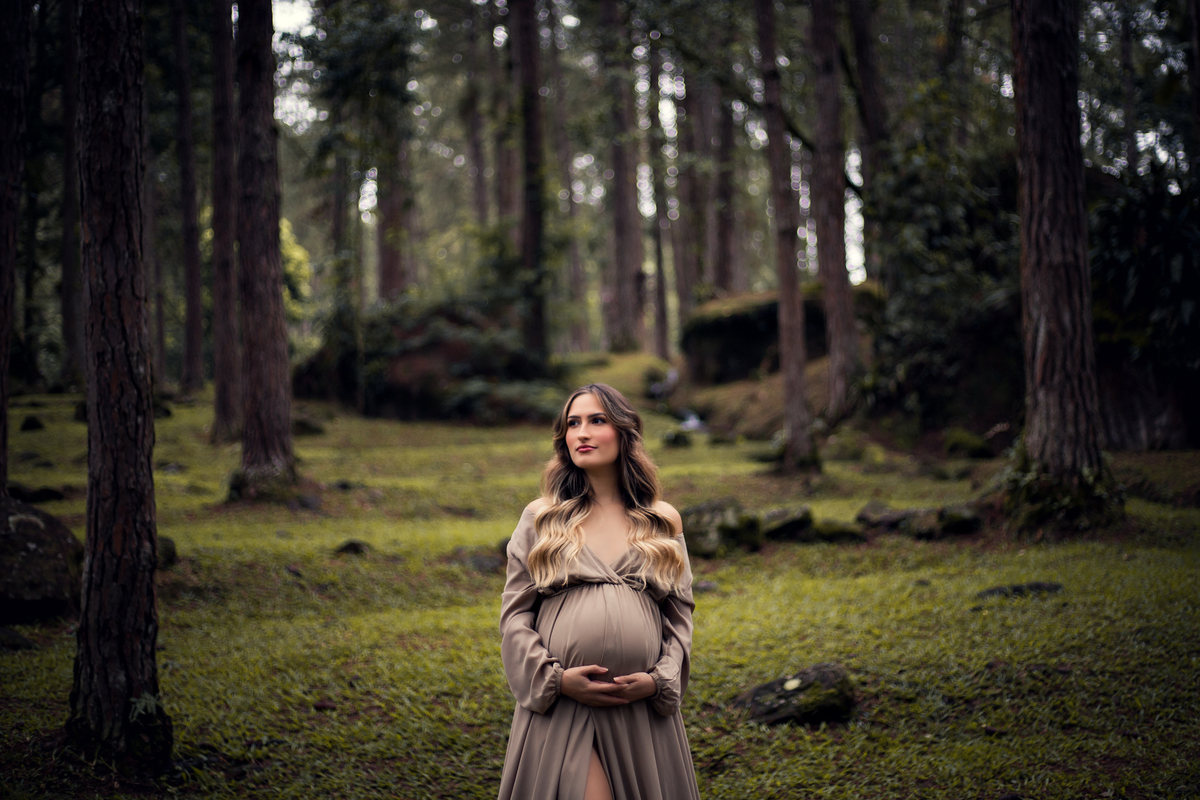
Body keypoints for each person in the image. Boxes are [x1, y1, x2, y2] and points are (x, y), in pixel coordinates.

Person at [497, 383, 701, 800]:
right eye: (573, 423)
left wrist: (658, 681)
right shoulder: (542, 517)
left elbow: (680, 619)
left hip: (639, 713)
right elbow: (515, 616)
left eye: (596, 421)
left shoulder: (662, 521)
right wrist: (554, 680)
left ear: (624, 433)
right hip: (565, 708)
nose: (582, 433)